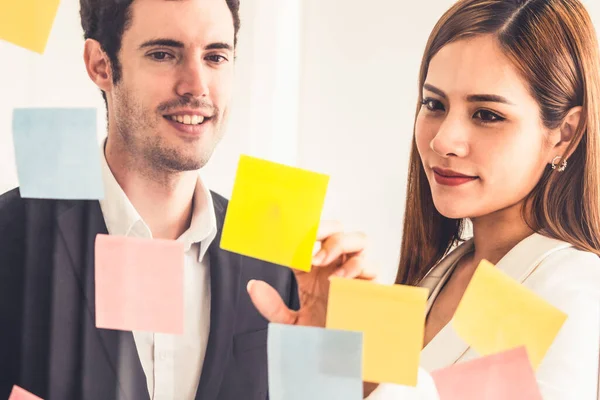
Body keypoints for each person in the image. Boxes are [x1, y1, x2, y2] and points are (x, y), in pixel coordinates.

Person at [0, 0, 372, 399]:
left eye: (215, 56)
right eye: (163, 54)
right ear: (100, 65)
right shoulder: (10, 237)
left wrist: (342, 371)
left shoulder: (285, 260)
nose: (196, 86)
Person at [365, 0, 600, 398]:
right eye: (434, 105)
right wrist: (325, 339)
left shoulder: (569, 288)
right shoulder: (441, 272)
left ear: (564, 134)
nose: (443, 140)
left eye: (487, 114)